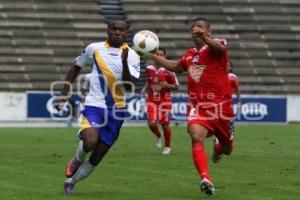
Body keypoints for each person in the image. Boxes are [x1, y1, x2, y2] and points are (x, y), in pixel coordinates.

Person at [147, 17, 234, 196]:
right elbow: (175, 66)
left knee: (227, 150)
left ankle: (219, 145)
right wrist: (152, 55)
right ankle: (205, 178)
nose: (196, 30)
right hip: (198, 106)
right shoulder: (189, 54)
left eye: (200, 27)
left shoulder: (217, 46)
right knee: (196, 137)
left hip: (220, 107)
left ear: (209, 31)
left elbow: (220, 48)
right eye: (193, 28)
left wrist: (206, 39)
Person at [54, 20, 140, 195]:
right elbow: (76, 67)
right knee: (90, 141)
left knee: (97, 155)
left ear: (125, 33)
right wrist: (64, 93)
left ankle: (71, 182)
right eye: (114, 29)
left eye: (121, 30)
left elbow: (130, 87)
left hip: (117, 109)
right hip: (94, 104)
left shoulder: (132, 55)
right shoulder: (94, 48)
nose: (117, 32)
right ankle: (77, 158)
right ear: (108, 31)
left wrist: (124, 63)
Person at [141, 48, 179, 155]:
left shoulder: (169, 70)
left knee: (165, 124)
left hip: (165, 100)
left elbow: (176, 86)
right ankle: (158, 135)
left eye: (161, 55)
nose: (159, 56)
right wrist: (145, 88)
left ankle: (167, 146)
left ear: (165, 57)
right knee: (151, 123)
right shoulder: (149, 68)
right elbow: (150, 80)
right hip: (152, 99)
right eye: (157, 54)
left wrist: (165, 85)